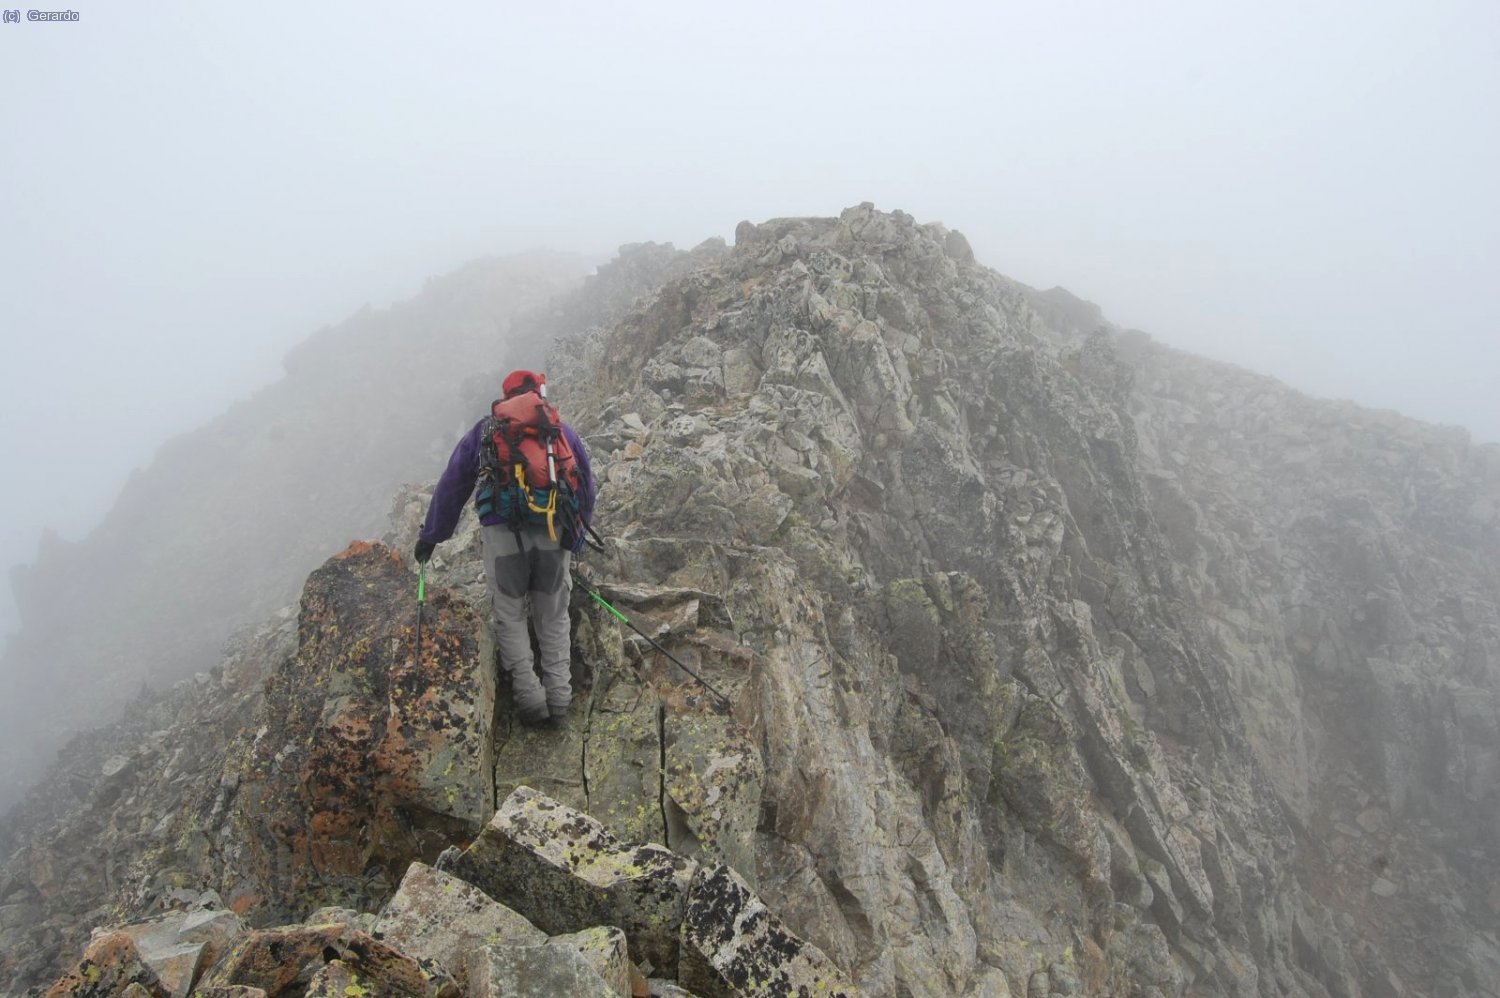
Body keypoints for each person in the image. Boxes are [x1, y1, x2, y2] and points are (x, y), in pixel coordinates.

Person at [414, 369, 595, 729]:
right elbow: (585, 485)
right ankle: (560, 699)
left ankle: (530, 700)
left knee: (510, 614)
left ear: (506, 395)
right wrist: (574, 540)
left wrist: (431, 536)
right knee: (553, 614)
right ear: (537, 393)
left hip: (502, 533)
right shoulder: (557, 430)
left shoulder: (486, 431)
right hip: (551, 530)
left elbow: (453, 483)